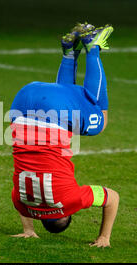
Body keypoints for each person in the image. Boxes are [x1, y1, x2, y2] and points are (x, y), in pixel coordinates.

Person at [9, 23, 119, 248]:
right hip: (22, 101)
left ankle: (93, 46)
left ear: (66, 215)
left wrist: (104, 238)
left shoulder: (72, 201)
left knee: (101, 118)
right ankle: (69, 50)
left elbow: (112, 198)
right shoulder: (21, 202)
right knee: (66, 99)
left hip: (55, 110)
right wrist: (28, 230)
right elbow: (24, 208)